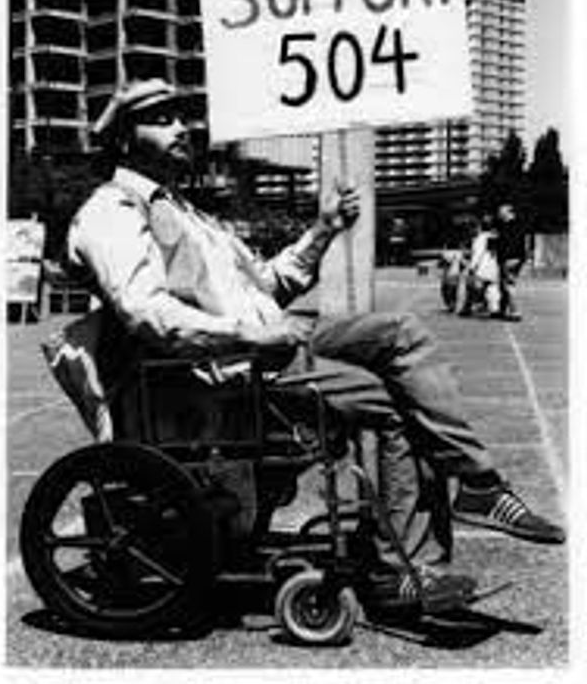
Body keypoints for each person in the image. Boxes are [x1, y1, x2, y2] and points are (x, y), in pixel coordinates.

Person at [64, 79, 565, 616]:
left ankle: (480, 486)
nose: (183, 127)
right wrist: (251, 332)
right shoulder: (113, 210)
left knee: (403, 334)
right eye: (161, 118)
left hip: (269, 343)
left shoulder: (190, 211)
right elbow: (147, 312)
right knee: (389, 403)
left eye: (183, 116)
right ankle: (405, 571)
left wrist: (324, 230)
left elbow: (268, 283)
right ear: (121, 138)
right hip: (223, 370)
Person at [458, 215, 501, 318]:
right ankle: (494, 309)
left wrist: (472, 267)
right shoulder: (493, 236)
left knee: (471, 287)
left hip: (481, 267)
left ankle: (467, 308)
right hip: (493, 266)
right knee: (491, 287)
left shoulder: (479, 239)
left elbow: (477, 254)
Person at [495, 203, 527, 321]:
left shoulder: (512, 226)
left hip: (510, 259)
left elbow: (511, 244)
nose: (499, 214)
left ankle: (515, 311)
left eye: (501, 212)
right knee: (503, 285)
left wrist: (507, 259)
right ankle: (502, 309)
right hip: (511, 258)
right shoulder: (509, 225)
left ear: (509, 212)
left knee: (508, 285)